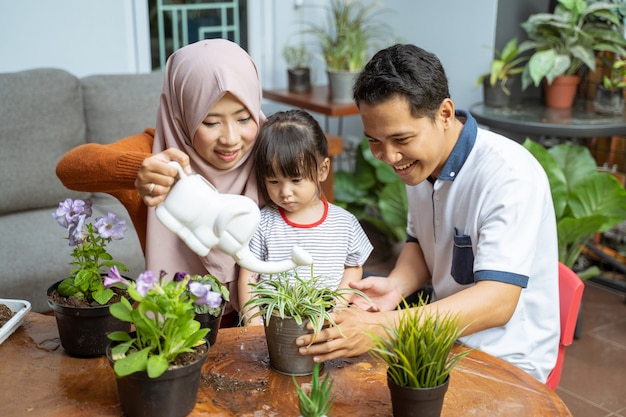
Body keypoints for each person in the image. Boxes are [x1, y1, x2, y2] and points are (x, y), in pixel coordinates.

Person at [295, 43, 560, 383]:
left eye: (400, 139)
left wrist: (383, 327)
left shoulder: (508, 176)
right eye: (374, 141)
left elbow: (498, 300)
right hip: (444, 340)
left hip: (507, 359)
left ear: (445, 114)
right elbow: (420, 242)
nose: (389, 156)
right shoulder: (419, 163)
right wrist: (395, 285)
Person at [56, 39, 265, 326]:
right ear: (182, 114)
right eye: (211, 122)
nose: (230, 138)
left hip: (268, 320)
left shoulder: (271, 148)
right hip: (171, 327)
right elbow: (68, 168)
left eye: (244, 118)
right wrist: (137, 171)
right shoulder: (156, 156)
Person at [239, 109, 373, 325]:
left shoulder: (344, 223)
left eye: (296, 180)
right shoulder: (262, 223)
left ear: (322, 170)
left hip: (324, 322)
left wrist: (336, 310)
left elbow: (353, 267)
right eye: (274, 181)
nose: (285, 192)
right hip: (275, 325)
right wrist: (254, 324)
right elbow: (248, 276)